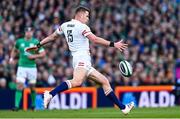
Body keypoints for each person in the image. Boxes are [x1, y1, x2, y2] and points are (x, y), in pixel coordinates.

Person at [27, 6, 134, 114]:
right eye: (87, 16)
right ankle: (50, 94)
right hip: (82, 59)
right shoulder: (82, 26)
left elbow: (52, 37)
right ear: (81, 15)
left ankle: (123, 108)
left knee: (104, 81)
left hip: (79, 59)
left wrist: (39, 44)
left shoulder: (65, 25)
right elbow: (95, 39)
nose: (88, 19)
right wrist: (113, 44)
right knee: (77, 81)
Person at [9, 27, 46, 111]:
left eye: (30, 31)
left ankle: (33, 105)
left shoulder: (35, 42)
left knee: (32, 86)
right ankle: (16, 106)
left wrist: (34, 56)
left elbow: (43, 54)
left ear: (32, 32)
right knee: (19, 85)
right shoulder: (19, 42)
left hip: (32, 68)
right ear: (25, 32)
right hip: (21, 66)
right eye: (27, 31)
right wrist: (11, 58)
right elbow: (14, 50)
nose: (29, 33)